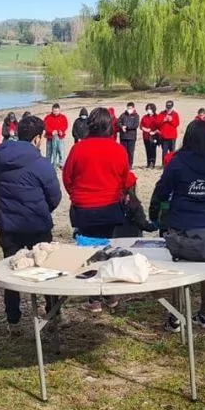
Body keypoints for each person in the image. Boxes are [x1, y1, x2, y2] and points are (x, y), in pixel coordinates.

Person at [149, 121, 205, 330]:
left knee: (180, 269)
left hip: (181, 224)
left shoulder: (177, 162)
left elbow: (162, 190)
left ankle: (175, 317)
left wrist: (157, 211)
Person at [0, 116, 62, 332]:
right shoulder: (41, 164)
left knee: (10, 269)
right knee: (46, 269)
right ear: (38, 138)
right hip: (36, 224)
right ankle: (53, 313)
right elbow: (55, 196)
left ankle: (13, 319)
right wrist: (40, 209)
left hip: (8, 224)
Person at [63, 108, 132, 313]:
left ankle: (94, 298)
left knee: (88, 251)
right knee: (107, 248)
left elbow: (67, 177)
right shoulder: (118, 149)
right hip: (109, 206)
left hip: (83, 207)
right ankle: (109, 294)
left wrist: (76, 194)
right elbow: (125, 178)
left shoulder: (79, 148)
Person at [44, 103, 69, 168]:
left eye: (57, 111)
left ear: (59, 110)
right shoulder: (48, 117)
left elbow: (65, 125)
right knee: (49, 152)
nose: (55, 113)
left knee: (61, 151)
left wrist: (62, 131)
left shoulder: (63, 117)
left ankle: (61, 164)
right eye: (54, 111)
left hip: (60, 138)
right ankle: (48, 164)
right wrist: (51, 131)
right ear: (52, 110)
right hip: (50, 138)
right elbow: (45, 126)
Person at [118, 102, 140, 168]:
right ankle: (124, 164)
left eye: (130, 108)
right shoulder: (123, 115)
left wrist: (126, 127)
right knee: (123, 152)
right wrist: (121, 126)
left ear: (133, 108)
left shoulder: (136, 116)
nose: (129, 109)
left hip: (131, 137)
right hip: (123, 136)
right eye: (128, 108)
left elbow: (135, 125)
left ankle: (130, 165)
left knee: (130, 152)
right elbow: (118, 122)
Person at [140, 104, 159, 168]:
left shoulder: (157, 116)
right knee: (147, 150)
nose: (149, 110)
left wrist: (154, 131)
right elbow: (141, 125)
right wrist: (144, 128)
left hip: (154, 136)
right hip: (146, 136)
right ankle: (148, 163)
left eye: (150, 109)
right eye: (148, 108)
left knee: (153, 149)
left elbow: (160, 126)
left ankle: (152, 163)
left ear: (153, 109)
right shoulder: (144, 117)